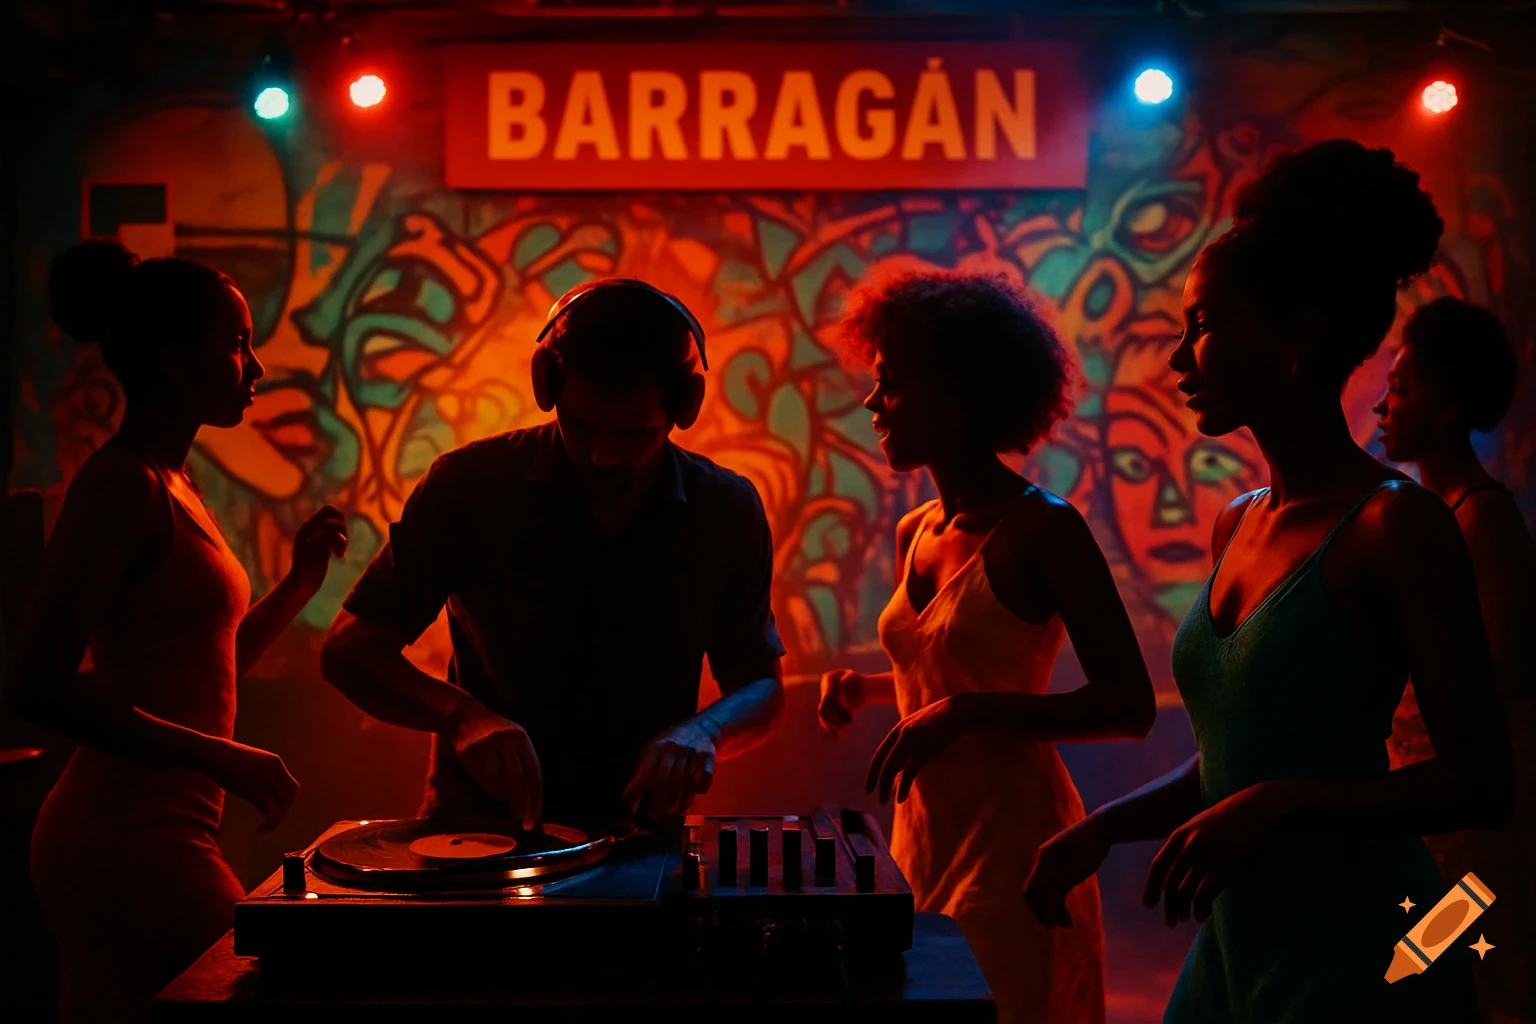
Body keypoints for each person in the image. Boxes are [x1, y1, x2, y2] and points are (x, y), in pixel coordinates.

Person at [1023, 140, 1512, 1022]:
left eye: (1203, 326)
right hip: (1239, 945)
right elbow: (1249, 755)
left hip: (1366, 956)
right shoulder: (1236, 520)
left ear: (1296, 336)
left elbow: (1482, 781)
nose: (1179, 358)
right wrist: (1103, 826)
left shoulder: (1397, 526)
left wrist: (1284, 807)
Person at [11, 241, 348, 1022]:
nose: (255, 367)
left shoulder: (172, 481)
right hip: (122, 832)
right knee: (272, 981)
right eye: (236, 345)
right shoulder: (118, 485)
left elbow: (209, 663)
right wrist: (218, 754)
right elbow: (35, 683)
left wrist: (299, 584)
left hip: (156, 826)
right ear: (171, 358)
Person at [817, 270, 1157, 1024]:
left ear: (955, 396)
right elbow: (949, 660)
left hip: (1018, 844)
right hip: (923, 837)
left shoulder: (1046, 528)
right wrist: (867, 686)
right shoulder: (918, 530)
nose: (874, 404)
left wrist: (969, 712)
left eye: (892, 385)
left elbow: (1129, 705)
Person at [320, 279, 784, 832]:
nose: (603, 455)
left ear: (684, 407)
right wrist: (464, 717)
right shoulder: (469, 487)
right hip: (478, 838)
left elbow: (762, 687)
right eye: (581, 425)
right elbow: (350, 650)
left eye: (634, 435)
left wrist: (704, 732)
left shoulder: (725, 509)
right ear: (547, 386)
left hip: (642, 840)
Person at [1375, 296, 1536, 1021]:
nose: (1382, 403)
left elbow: (1505, 668)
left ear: (1445, 411)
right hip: (1424, 806)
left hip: (1468, 822)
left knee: (1456, 983)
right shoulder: (1430, 513)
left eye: (1401, 388)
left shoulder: (1484, 517)